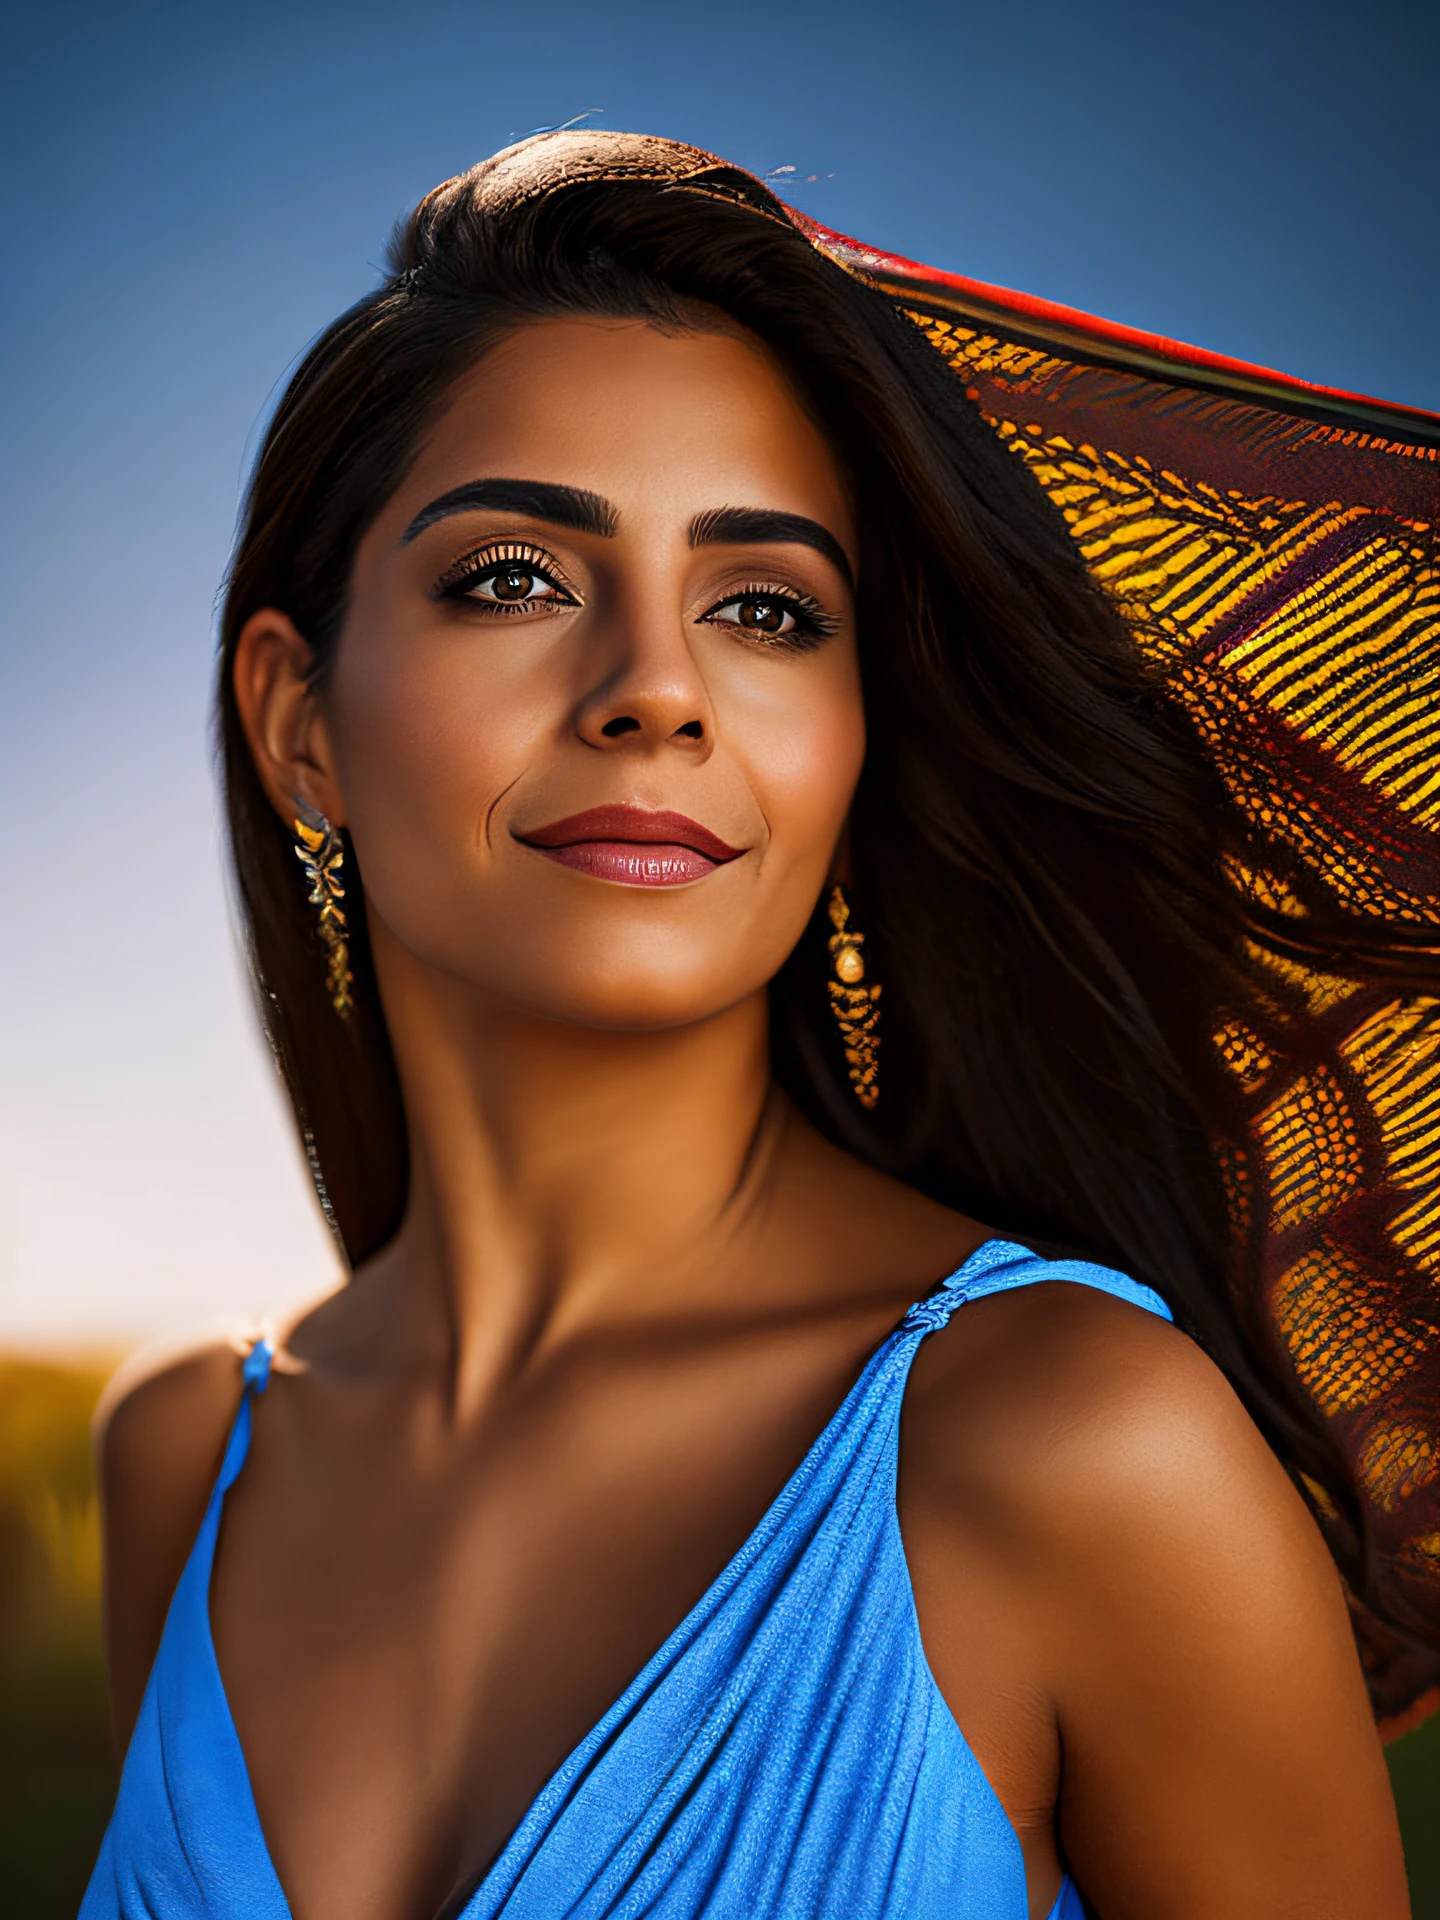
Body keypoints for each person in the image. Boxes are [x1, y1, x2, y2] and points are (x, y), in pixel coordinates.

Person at [82, 130, 1435, 1920]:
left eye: (767, 610)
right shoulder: (187, 1455)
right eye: (513, 577)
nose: (655, 686)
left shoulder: (1072, 1443)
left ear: (856, 744)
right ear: (296, 720)